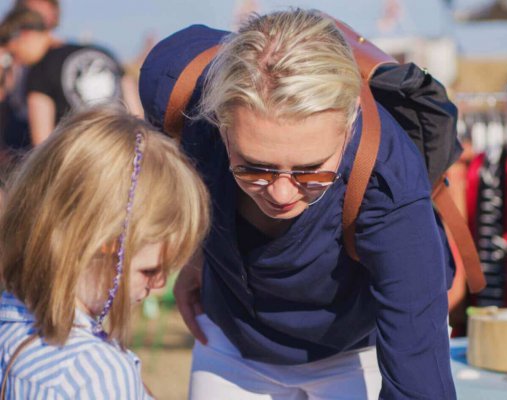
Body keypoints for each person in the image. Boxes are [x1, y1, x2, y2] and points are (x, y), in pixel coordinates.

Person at [141, 9, 457, 399]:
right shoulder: (177, 89)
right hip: (233, 343)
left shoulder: (388, 183)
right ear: (219, 122)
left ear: (349, 123)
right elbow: (175, 169)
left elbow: (418, 385)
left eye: (311, 172)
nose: (281, 193)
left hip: (360, 346)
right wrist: (196, 253)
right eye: (254, 168)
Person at [0, 106, 210, 398]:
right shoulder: (94, 373)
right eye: (149, 270)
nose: (160, 285)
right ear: (100, 240)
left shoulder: (9, 320)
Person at [0, 7, 133, 145]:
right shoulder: (103, 53)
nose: (17, 61)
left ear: (24, 35)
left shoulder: (40, 71)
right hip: (120, 150)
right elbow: (136, 114)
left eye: (14, 54)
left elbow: (42, 144)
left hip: (79, 158)